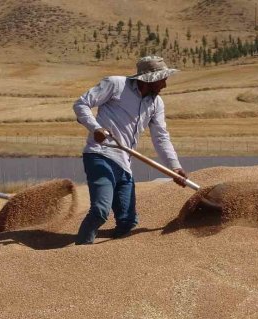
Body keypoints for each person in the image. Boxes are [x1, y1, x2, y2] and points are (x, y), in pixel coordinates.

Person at [72, 55, 189, 245]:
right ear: (149, 78)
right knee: (101, 211)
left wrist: (174, 167)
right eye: (162, 79)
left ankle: (113, 257)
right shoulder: (116, 85)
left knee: (128, 221)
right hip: (100, 155)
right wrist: (96, 129)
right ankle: (79, 251)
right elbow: (81, 104)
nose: (165, 85)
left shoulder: (156, 103)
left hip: (124, 163)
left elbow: (160, 137)